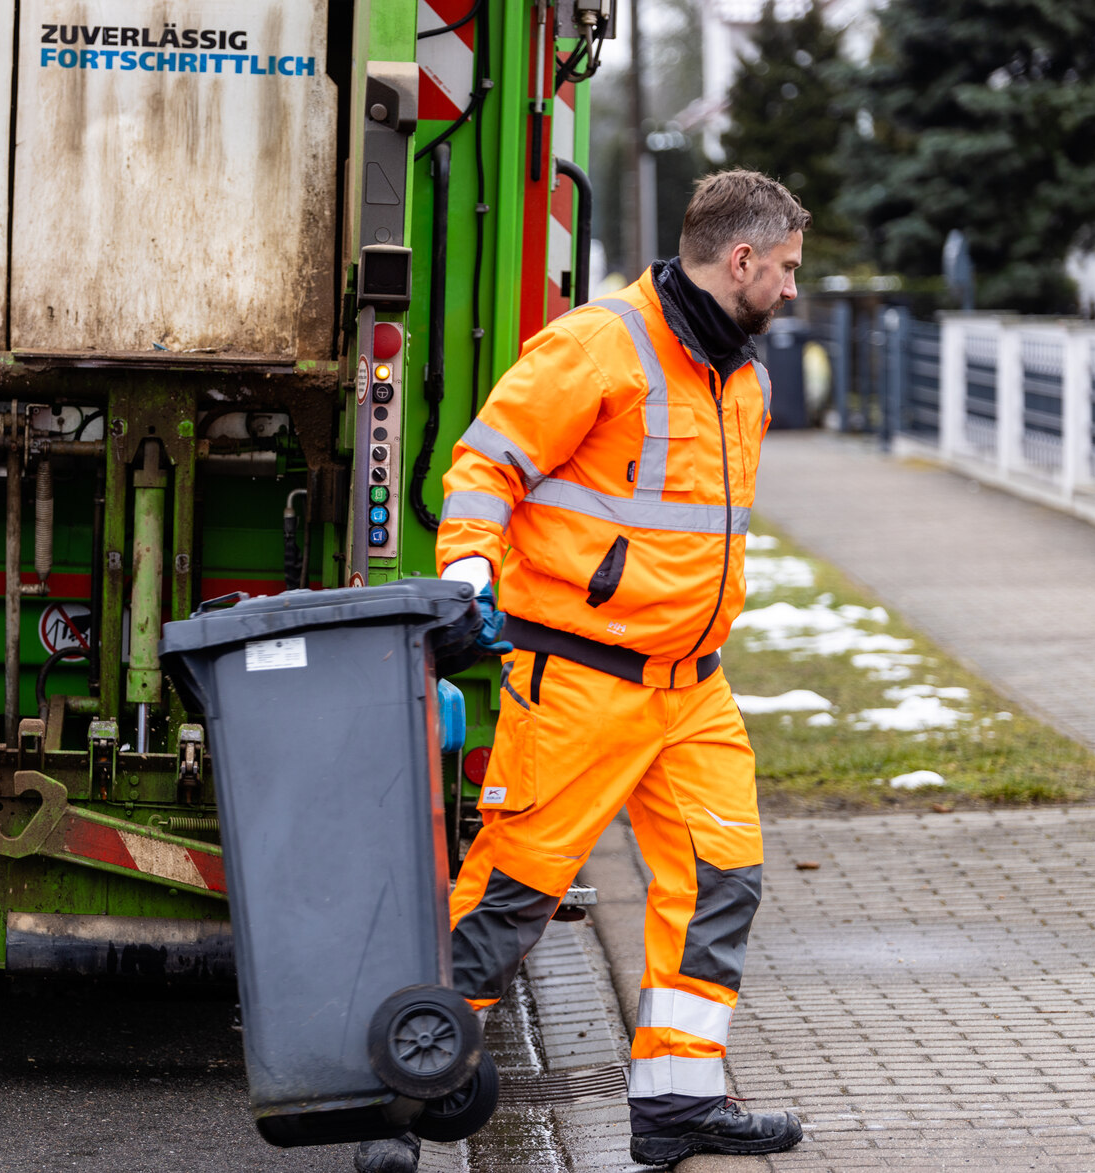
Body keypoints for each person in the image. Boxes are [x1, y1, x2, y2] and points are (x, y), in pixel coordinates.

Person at [357, 169, 809, 1173]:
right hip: (578, 682)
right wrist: (471, 580)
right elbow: (481, 468)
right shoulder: (597, 346)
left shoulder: (739, 374)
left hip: (690, 690)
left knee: (717, 880)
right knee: (514, 893)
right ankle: (395, 1092)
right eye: (781, 271)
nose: (788, 291)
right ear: (738, 260)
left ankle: (678, 1102)